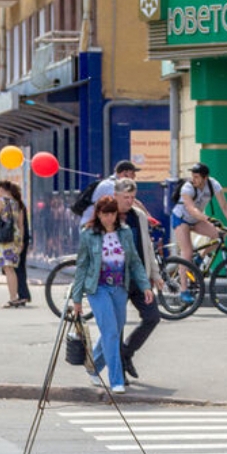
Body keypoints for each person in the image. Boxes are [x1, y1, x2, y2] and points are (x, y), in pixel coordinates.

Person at [70, 195, 153, 395]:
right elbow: (82, 267)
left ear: (117, 214)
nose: (109, 218)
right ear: (98, 214)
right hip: (98, 289)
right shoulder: (89, 234)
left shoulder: (124, 233)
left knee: (114, 329)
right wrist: (77, 298)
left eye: (112, 214)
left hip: (119, 288)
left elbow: (134, 261)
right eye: (105, 214)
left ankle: (94, 366)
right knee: (111, 333)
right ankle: (116, 380)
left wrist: (145, 286)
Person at [98, 178, 164, 381]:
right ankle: (116, 370)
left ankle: (126, 352)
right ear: (115, 195)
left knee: (152, 317)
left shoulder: (139, 216)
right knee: (116, 326)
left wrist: (154, 274)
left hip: (138, 277)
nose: (129, 201)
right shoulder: (107, 217)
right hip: (114, 280)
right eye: (125, 197)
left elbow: (147, 247)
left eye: (132, 197)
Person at [171, 163, 227, 265]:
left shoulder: (214, 185)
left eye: (196, 177)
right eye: (192, 176)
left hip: (196, 220)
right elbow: (191, 209)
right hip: (181, 219)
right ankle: (183, 281)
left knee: (220, 236)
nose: (193, 179)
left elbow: (224, 206)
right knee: (187, 253)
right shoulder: (187, 187)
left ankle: (200, 257)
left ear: (205, 178)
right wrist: (208, 219)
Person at [0, 180, 27, 307]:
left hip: (5, 239)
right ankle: (14, 296)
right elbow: (21, 224)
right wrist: (22, 241)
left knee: (8, 268)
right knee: (11, 268)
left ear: (2, 189)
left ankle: (13, 297)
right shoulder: (18, 203)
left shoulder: (2, 202)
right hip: (15, 237)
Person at [81, 159, 146, 225]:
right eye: (132, 173)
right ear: (124, 173)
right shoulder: (111, 185)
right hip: (91, 225)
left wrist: (148, 217)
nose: (134, 176)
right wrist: (146, 218)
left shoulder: (117, 184)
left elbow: (135, 202)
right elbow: (126, 203)